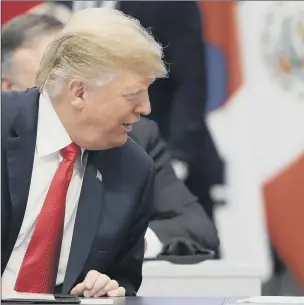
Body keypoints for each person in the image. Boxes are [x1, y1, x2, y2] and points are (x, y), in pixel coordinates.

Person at [1, 13, 219, 260]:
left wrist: (125, 246)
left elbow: (195, 227)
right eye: (47, 75)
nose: (145, 108)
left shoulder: (134, 147)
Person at [1, 8, 167, 297]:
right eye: (132, 94)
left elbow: (124, 281)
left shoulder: (134, 170)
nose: (146, 108)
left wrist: (108, 289)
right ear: (79, 92)